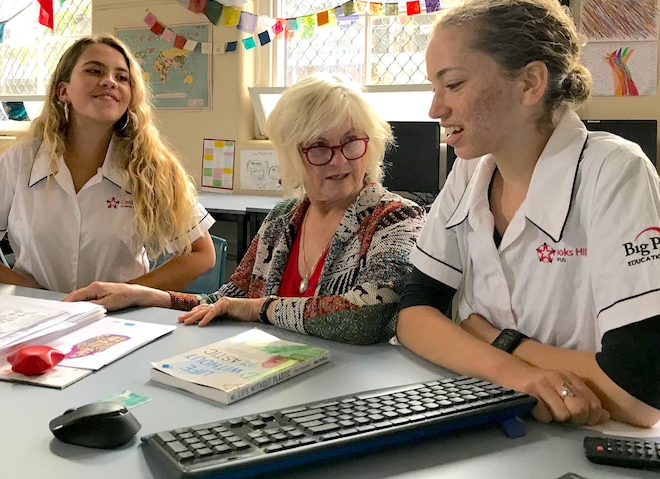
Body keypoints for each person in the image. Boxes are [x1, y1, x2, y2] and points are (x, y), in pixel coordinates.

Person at [396, 0, 660, 429]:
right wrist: (518, 376)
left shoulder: (614, 172)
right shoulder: (471, 169)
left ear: (531, 82)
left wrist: (496, 338)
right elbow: (414, 314)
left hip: (587, 441)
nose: (436, 108)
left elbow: (638, 393)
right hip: (501, 418)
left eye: (453, 84)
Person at [64, 73, 427, 345]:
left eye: (351, 143)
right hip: (269, 374)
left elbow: (370, 315)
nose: (338, 162)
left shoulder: (395, 218)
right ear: (290, 155)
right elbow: (228, 302)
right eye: (318, 147)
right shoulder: (283, 219)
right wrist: (150, 296)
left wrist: (262, 308)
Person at [0, 34, 216, 293]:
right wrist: (34, 296)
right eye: (94, 71)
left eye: (122, 77)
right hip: (34, 320)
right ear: (63, 91)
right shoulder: (21, 160)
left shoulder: (151, 166)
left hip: (121, 320)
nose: (110, 81)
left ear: (129, 96)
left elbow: (200, 253)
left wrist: (130, 293)